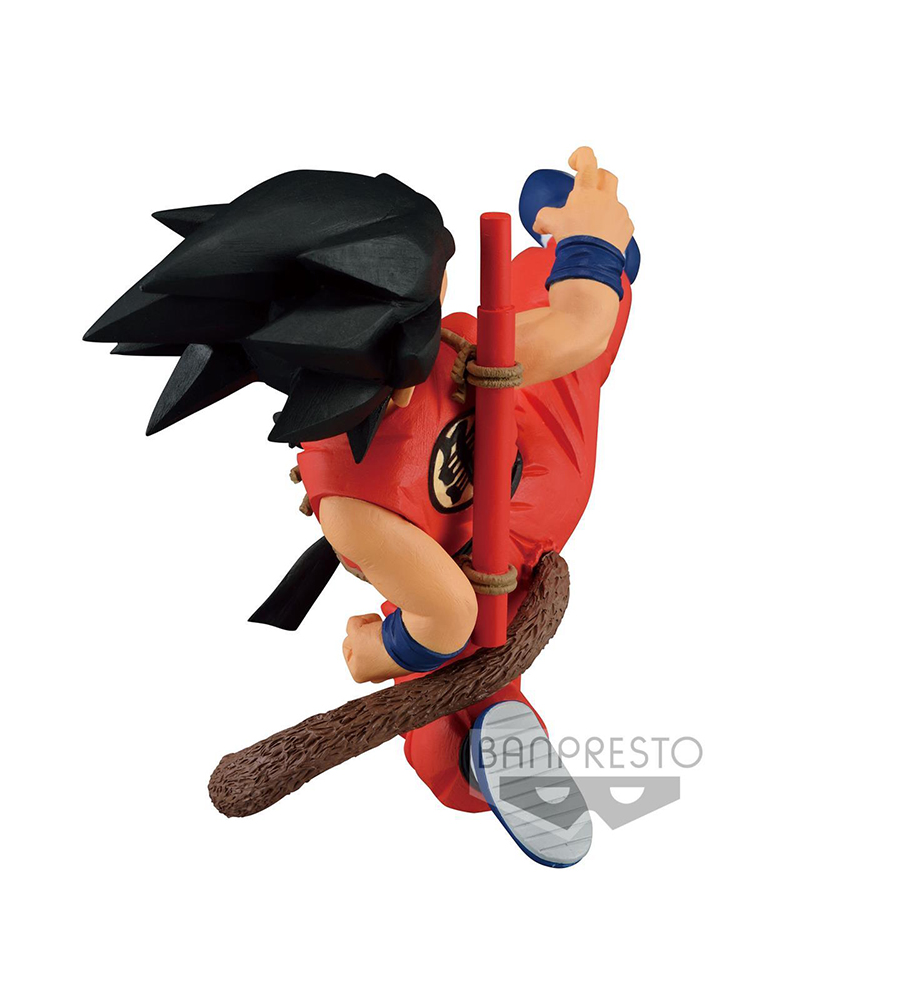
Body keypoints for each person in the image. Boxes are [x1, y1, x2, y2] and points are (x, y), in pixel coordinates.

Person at [85, 148, 635, 866]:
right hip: (547, 455)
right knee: (575, 330)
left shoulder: (350, 500)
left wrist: (381, 652)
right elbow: (581, 327)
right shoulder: (463, 348)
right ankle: (584, 244)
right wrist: (594, 243)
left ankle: (470, 761)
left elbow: (445, 621)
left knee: (461, 667)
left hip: (495, 553)